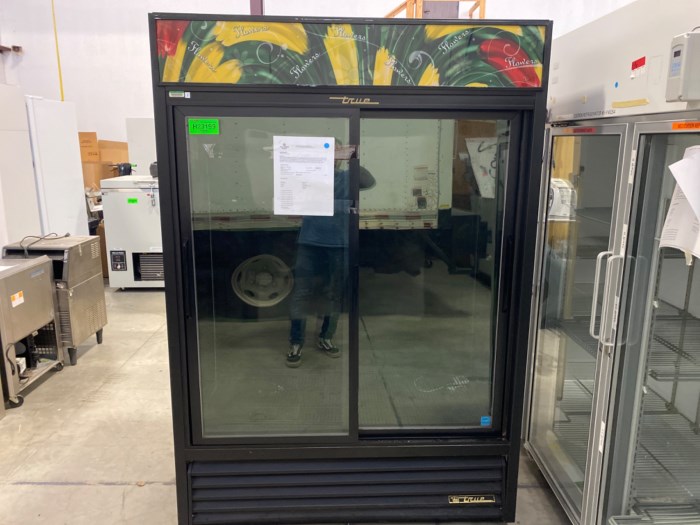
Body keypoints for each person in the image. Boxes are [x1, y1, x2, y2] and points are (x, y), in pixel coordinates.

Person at [286, 156, 374, 368]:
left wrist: (353, 159)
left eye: (336, 154)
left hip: (339, 245)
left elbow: (368, 181)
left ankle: (326, 337)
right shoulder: (308, 177)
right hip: (309, 243)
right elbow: (291, 194)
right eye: (327, 153)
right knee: (301, 293)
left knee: (333, 293)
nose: (331, 158)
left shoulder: (348, 177)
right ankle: (296, 342)